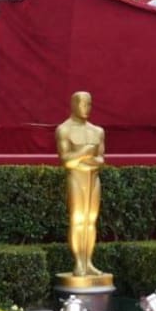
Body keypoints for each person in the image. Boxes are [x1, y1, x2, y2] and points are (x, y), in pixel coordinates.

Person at [56, 92, 106, 277]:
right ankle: (78, 262)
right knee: (77, 220)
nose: (86, 108)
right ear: (74, 105)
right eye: (82, 104)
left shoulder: (97, 131)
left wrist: (83, 160)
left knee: (91, 221)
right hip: (76, 179)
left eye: (89, 104)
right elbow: (66, 161)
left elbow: (100, 159)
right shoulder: (64, 130)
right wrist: (85, 153)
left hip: (93, 179)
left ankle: (88, 262)